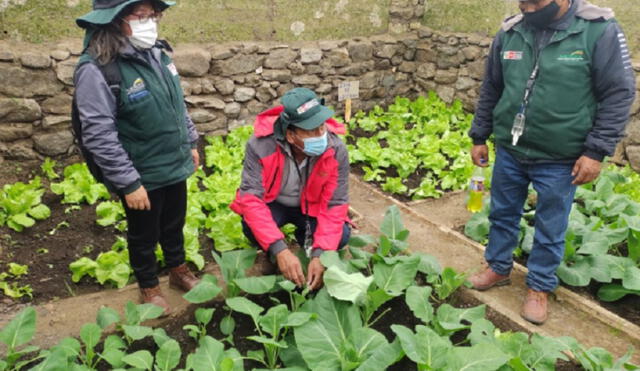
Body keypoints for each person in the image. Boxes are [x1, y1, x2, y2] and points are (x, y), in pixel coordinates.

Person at [468, 0, 635, 325]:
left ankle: (539, 287)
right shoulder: (511, 31)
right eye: (523, 1)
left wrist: (596, 150)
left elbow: (618, 92)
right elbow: (492, 86)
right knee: (502, 213)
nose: (528, 8)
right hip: (511, 148)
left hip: (561, 156)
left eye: (535, 1)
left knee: (550, 225)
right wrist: (479, 135)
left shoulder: (598, 30)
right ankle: (498, 267)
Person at [74, 0, 201, 316]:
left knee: (174, 223)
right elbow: (98, 133)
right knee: (144, 234)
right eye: (140, 16)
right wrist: (128, 182)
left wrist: (191, 141)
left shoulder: (157, 54)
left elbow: (177, 105)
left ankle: (178, 270)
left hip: (172, 162)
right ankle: (149, 285)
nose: (150, 22)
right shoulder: (98, 68)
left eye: (152, 15)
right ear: (114, 20)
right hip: (141, 172)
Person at [231, 88, 351, 291]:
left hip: (311, 207)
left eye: (321, 126)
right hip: (275, 203)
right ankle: (276, 256)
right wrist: (279, 250)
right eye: (311, 130)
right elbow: (251, 200)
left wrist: (321, 253)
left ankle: (307, 244)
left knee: (342, 235)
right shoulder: (260, 146)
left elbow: (335, 204)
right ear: (290, 135)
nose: (320, 135)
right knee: (251, 226)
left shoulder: (335, 149)